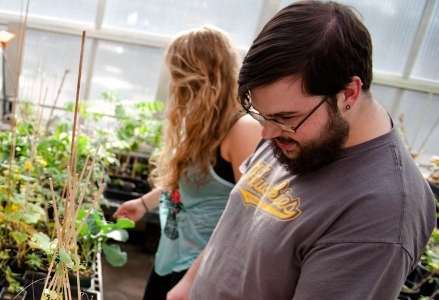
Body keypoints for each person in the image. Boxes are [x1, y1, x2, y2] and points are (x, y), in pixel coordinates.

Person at [166, 1, 437, 299]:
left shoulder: (382, 209)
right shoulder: (293, 134)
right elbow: (239, 219)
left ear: (348, 93)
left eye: (285, 118)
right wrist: (189, 284)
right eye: (263, 115)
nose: (267, 133)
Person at [113, 25, 262, 300]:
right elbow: (189, 184)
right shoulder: (203, 126)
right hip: (170, 257)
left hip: (202, 268)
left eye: (179, 77)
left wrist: (192, 280)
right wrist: (144, 203)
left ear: (202, 77)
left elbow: (247, 218)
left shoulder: (243, 129)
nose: (176, 87)